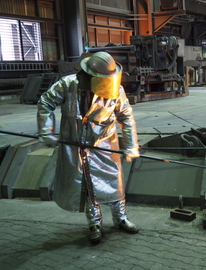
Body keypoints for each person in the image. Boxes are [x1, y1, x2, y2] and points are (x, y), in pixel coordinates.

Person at [37, 51, 140, 244]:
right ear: (91, 76)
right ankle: (94, 223)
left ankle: (121, 218)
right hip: (77, 146)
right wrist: (46, 131)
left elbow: (126, 117)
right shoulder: (68, 85)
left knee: (114, 183)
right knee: (88, 185)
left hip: (106, 145)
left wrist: (131, 145)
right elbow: (45, 103)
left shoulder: (115, 89)